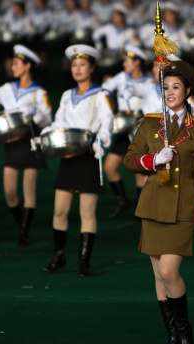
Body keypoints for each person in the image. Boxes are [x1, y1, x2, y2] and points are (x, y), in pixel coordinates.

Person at [123, 60, 194, 344]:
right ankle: (172, 338)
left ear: (188, 90)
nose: (170, 92)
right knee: (158, 277)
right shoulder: (151, 123)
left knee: (168, 271)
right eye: (166, 87)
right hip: (153, 205)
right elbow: (129, 159)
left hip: (183, 206)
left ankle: (186, 335)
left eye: (176, 87)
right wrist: (153, 160)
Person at [41, 44, 113, 276]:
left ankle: (84, 260)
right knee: (59, 211)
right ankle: (59, 256)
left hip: (89, 156)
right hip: (68, 156)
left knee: (87, 212)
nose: (78, 69)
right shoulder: (65, 95)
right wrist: (45, 134)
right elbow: (58, 123)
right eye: (74, 65)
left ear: (92, 68)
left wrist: (100, 141)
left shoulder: (102, 95)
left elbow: (107, 125)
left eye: (82, 65)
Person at [0, 44, 52, 246]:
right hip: (11, 142)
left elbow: (47, 119)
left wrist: (36, 114)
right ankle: (22, 222)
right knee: (9, 192)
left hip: (30, 141)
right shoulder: (6, 89)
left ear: (28, 66)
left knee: (28, 190)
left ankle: (23, 232)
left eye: (17, 63)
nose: (12, 67)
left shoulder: (39, 92)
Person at [102, 44, 151, 217]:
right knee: (109, 167)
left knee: (139, 172)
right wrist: (110, 106)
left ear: (137, 62)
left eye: (127, 61)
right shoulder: (122, 77)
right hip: (123, 127)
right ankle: (122, 200)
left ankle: (141, 209)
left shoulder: (149, 82)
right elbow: (104, 89)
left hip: (140, 129)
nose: (124, 64)